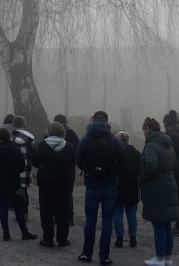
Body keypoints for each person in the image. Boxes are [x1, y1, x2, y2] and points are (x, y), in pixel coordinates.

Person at [76, 111, 127, 265]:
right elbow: (124, 160)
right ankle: (104, 257)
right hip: (110, 184)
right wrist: (114, 171)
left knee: (90, 220)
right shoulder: (114, 140)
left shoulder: (86, 139)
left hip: (92, 184)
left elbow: (78, 161)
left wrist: (88, 169)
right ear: (107, 121)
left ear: (93, 121)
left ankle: (87, 253)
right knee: (107, 221)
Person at [140, 117, 179, 266]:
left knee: (158, 225)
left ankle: (159, 258)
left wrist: (142, 176)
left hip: (156, 189)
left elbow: (150, 166)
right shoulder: (168, 144)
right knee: (167, 225)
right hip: (170, 185)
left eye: (144, 130)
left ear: (148, 130)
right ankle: (168, 258)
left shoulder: (151, 146)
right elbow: (175, 164)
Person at [32, 122, 77, 248]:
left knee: (46, 210)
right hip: (64, 182)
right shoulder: (69, 146)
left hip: (46, 182)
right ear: (62, 132)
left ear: (49, 132)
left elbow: (35, 162)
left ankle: (48, 238)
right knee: (63, 211)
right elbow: (74, 161)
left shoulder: (42, 145)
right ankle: (62, 239)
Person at [0, 128, 38, 241]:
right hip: (15, 182)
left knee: (3, 206)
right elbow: (21, 167)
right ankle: (24, 232)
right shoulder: (15, 150)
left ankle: (6, 234)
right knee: (18, 207)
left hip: (0, 182)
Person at [113, 130, 140, 249]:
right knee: (131, 215)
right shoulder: (136, 153)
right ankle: (133, 238)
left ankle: (119, 238)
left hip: (118, 187)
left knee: (117, 214)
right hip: (133, 186)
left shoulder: (114, 153)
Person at [54, 114, 79, 225]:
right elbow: (77, 150)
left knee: (54, 193)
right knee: (68, 194)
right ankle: (69, 218)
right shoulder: (72, 134)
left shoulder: (50, 133)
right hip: (68, 169)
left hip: (53, 168)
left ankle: (56, 216)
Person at [11, 115, 35, 218]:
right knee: (24, 189)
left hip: (14, 166)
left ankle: (18, 211)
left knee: (16, 189)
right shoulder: (30, 136)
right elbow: (33, 152)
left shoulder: (10, 136)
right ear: (24, 124)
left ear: (13, 124)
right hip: (26, 165)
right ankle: (25, 211)